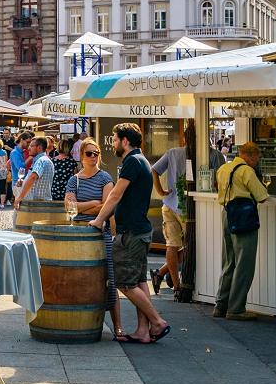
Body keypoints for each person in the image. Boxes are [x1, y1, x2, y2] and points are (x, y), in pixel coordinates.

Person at [88, 123, 170, 344]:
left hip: (131, 234)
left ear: (125, 141)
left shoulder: (132, 161)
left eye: (115, 139)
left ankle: (157, 322)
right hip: (141, 231)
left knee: (125, 284)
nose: (113, 143)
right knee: (139, 282)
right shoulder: (140, 160)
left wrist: (98, 220)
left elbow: (114, 195)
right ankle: (143, 331)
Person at [65, 138, 123, 340]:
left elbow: (107, 206)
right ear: (81, 156)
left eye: (96, 153)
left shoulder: (104, 177)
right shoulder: (75, 179)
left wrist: (84, 205)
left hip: (100, 235)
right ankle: (81, 321)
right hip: (79, 233)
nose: (93, 157)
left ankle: (118, 327)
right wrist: (92, 202)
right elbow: (69, 207)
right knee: (80, 280)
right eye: (89, 153)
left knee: (110, 280)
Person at [213, 141, 268, 321]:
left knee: (229, 261)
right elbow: (262, 196)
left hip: (227, 213)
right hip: (244, 217)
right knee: (244, 263)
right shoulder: (246, 171)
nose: (257, 162)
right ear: (250, 156)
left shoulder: (223, 169)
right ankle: (236, 308)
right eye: (257, 158)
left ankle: (220, 305)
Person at [150, 131, 189, 295]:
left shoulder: (173, 152)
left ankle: (175, 284)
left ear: (184, 138)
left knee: (172, 245)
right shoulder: (203, 154)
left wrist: (160, 191)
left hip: (170, 203)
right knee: (191, 247)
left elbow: (154, 170)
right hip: (187, 207)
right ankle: (169, 278)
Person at [15, 137, 55, 206]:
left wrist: (20, 197)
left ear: (39, 148)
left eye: (31, 146)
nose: (28, 148)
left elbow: (33, 177)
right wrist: (23, 182)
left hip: (37, 205)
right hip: (38, 204)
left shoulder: (41, 160)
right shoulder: (42, 160)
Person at [10, 131, 33, 201]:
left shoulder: (22, 151)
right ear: (22, 140)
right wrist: (29, 158)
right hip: (18, 184)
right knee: (19, 207)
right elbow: (20, 168)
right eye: (28, 142)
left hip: (22, 182)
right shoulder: (15, 153)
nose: (29, 144)